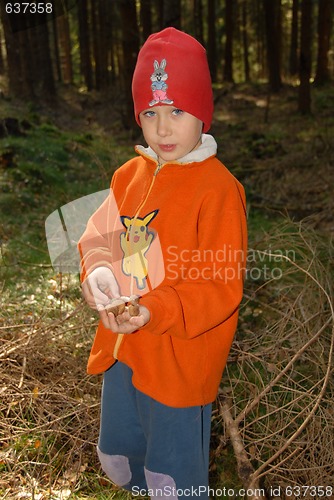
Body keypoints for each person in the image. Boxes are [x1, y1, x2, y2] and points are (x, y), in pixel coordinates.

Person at [78, 27, 247, 499]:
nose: (163, 127)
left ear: (204, 114)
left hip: (178, 358)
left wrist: (156, 310)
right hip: (123, 350)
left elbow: (219, 285)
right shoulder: (128, 175)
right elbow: (97, 237)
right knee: (123, 455)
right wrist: (98, 273)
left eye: (178, 111)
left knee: (172, 479)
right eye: (150, 112)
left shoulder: (218, 191)